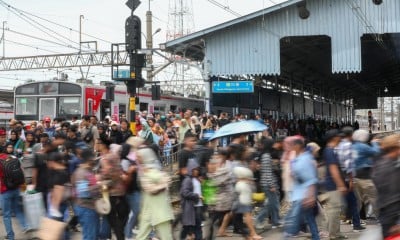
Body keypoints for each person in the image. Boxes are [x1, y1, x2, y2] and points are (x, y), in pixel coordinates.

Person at [283, 137, 319, 240]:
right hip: (301, 195)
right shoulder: (298, 158)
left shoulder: (305, 159)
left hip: (303, 196)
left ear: (298, 146)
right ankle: (316, 237)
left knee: (291, 226)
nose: (290, 147)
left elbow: (311, 179)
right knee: (309, 219)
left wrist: (311, 196)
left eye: (292, 145)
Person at [135, 147, 174, 240]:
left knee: (166, 237)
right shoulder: (150, 172)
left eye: (139, 157)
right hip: (150, 211)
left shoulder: (150, 172)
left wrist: (160, 186)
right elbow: (151, 188)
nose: (137, 159)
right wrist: (162, 185)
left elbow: (151, 188)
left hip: (159, 211)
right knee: (141, 237)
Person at [335, 127, 365, 232]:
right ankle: (356, 224)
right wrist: (351, 180)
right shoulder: (348, 145)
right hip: (346, 178)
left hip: (339, 177)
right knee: (353, 201)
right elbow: (349, 165)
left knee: (349, 201)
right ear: (351, 135)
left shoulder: (338, 145)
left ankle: (350, 220)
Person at [372, 134, 400, 239]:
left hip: (386, 213)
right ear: (395, 147)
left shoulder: (382, 163)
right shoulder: (389, 167)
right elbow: (392, 196)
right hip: (391, 215)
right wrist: (397, 222)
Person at [324, 129, 347, 239]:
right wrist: (341, 185)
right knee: (334, 210)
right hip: (333, 186)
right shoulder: (329, 151)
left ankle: (336, 233)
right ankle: (333, 234)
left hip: (332, 185)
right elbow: (333, 170)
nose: (340, 138)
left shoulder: (331, 150)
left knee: (335, 210)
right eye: (338, 136)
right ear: (334, 138)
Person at [72, 148, 101, 240]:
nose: (94, 161)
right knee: (90, 237)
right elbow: (84, 193)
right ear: (89, 160)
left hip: (91, 208)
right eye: (93, 159)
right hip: (86, 209)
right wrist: (99, 185)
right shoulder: (81, 173)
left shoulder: (89, 171)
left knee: (93, 236)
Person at [0, 154, 30, 240]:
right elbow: (21, 170)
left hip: (5, 191)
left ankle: (10, 236)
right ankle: (25, 226)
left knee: (6, 215)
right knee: (17, 209)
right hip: (16, 188)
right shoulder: (12, 157)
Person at [352, 129, 380, 219]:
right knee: (374, 197)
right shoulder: (363, 146)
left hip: (354, 176)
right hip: (364, 177)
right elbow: (376, 152)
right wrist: (374, 143)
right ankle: (380, 217)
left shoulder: (353, 146)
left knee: (358, 201)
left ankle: (355, 220)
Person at [255, 137, 281, 229]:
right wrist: (271, 185)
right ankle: (259, 219)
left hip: (266, 182)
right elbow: (267, 172)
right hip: (268, 183)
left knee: (273, 203)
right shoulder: (266, 156)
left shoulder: (266, 155)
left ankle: (275, 221)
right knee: (270, 204)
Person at [180, 160, 203, 240]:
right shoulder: (188, 180)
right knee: (194, 227)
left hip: (196, 206)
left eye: (197, 169)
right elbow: (185, 193)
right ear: (191, 169)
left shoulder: (195, 179)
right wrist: (197, 196)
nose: (197, 171)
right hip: (192, 207)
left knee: (195, 227)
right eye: (195, 169)